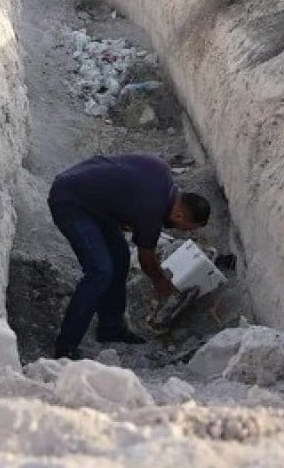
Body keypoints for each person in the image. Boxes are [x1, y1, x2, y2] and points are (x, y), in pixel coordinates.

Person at [47, 154, 211, 360]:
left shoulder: (162, 172)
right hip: (70, 201)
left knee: (120, 256)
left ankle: (111, 328)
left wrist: (122, 211)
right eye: (189, 228)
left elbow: (121, 177)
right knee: (100, 271)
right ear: (178, 215)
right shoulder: (152, 211)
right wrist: (161, 282)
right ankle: (66, 348)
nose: (189, 233)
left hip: (87, 194)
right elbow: (146, 260)